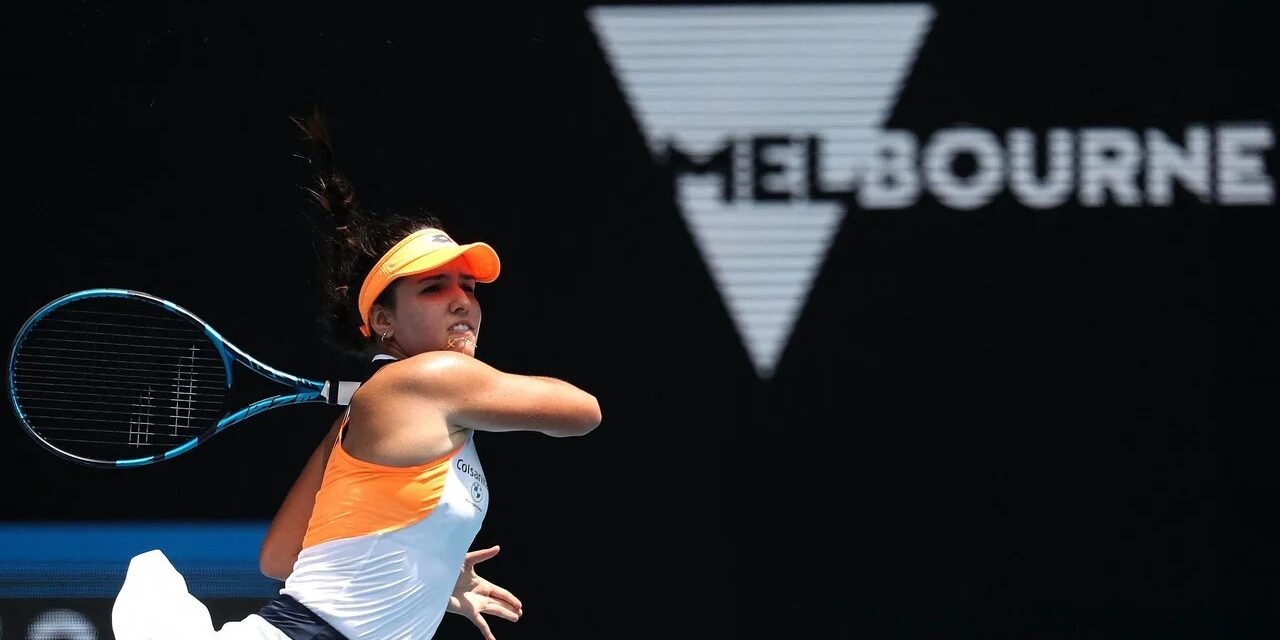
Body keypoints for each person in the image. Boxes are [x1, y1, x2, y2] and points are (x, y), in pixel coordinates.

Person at [110, 110, 603, 640]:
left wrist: (433, 575)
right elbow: (581, 413)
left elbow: (280, 557)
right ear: (384, 322)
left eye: (470, 288)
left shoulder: (358, 418)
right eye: (435, 287)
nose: (463, 301)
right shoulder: (435, 378)